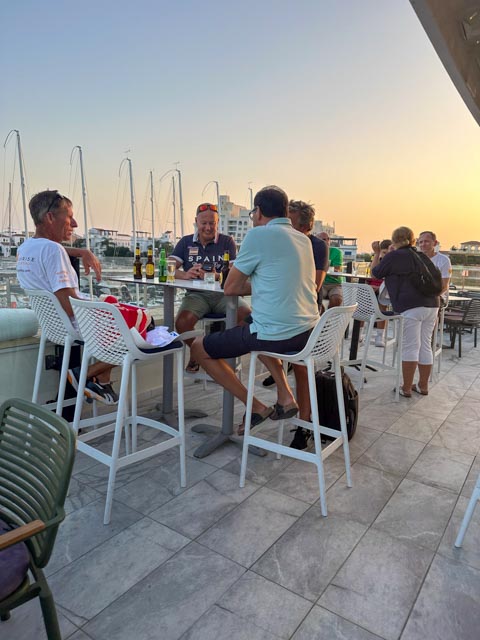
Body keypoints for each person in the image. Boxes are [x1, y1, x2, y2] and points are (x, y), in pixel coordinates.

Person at [190, 186, 319, 434]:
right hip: (308, 332)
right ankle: (285, 396)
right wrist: (265, 284)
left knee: (198, 347)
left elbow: (230, 288)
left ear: (258, 212)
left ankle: (256, 407)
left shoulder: (258, 235)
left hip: (278, 335)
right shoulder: (303, 239)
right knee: (249, 323)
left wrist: (256, 284)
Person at [16, 190, 118, 404]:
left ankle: (101, 379)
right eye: (69, 216)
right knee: (146, 326)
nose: (75, 223)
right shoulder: (54, 251)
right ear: (50, 217)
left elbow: (50, 249)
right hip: (76, 326)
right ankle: (86, 374)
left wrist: (81, 252)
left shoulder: (25, 248)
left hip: (53, 327)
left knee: (123, 315)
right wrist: (101, 305)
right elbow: (71, 307)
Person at [171, 202, 250, 372]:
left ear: (217, 223)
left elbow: (235, 272)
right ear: (196, 222)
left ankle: (216, 349)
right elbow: (168, 266)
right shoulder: (185, 242)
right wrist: (185, 274)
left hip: (223, 294)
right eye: (204, 223)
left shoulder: (227, 241)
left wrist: (216, 276)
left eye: (212, 223)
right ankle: (198, 351)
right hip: (196, 295)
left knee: (247, 316)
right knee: (182, 322)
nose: (208, 228)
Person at [371, 226, 439, 396]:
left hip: (411, 306)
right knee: (425, 345)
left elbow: (375, 273)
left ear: (394, 240)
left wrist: (379, 253)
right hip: (432, 304)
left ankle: (406, 388)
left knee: (410, 346)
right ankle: (423, 386)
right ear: (413, 240)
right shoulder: (421, 255)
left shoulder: (394, 256)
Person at [417, 230, 452, 305]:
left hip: (436, 298)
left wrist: (427, 298)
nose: (423, 244)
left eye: (426, 241)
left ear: (435, 243)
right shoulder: (415, 259)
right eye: (420, 242)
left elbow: (444, 286)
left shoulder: (444, 260)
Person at [370, 239, 394, 347]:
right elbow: (372, 274)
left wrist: (379, 287)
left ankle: (380, 335)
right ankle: (359, 333)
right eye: (384, 252)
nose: (386, 255)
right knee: (362, 298)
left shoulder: (392, 262)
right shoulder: (378, 260)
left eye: (388, 253)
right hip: (373, 288)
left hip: (385, 290)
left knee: (382, 304)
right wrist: (376, 255)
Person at [318, 231, 343, 308]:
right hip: (320, 283)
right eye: (324, 239)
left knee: (336, 299)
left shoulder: (336, 252)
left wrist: (325, 267)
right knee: (315, 298)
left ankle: (329, 315)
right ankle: (321, 314)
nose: (327, 241)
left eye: (328, 239)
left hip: (334, 284)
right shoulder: (314, 251)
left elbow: (336, 273)